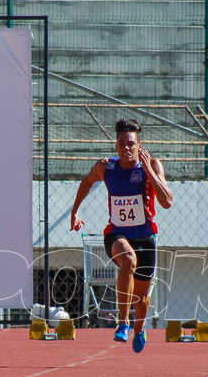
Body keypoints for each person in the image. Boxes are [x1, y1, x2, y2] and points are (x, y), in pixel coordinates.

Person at [69, 118, 173, 353]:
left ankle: (139, 327)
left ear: (139, 145)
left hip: (145, 236)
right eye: (121, 143)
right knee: (127, 260)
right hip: (116, 233)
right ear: (116, 145)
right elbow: (86, 182)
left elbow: (167, 202)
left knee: (142, 297)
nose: (126, 148)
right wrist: (75, 211)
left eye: (130, 143)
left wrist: (148, 171)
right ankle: (123, 323)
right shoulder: (106, 167)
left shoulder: (153, 165)